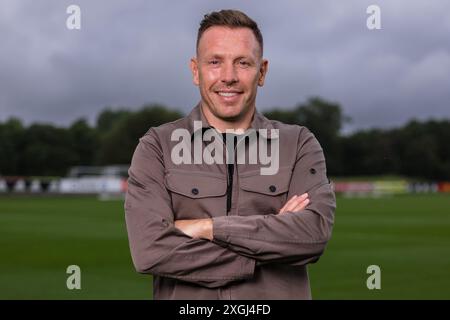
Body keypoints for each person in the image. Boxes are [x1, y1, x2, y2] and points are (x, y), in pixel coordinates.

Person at [125, 9, 336, 299]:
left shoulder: (298, 143)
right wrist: (270, 248)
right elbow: (150, 251)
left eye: (243, 63)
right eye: (215, 62)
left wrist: (206, 228)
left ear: (261, 72)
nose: (228, 77)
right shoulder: (157, 146)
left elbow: (311, 236)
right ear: (195, 71)